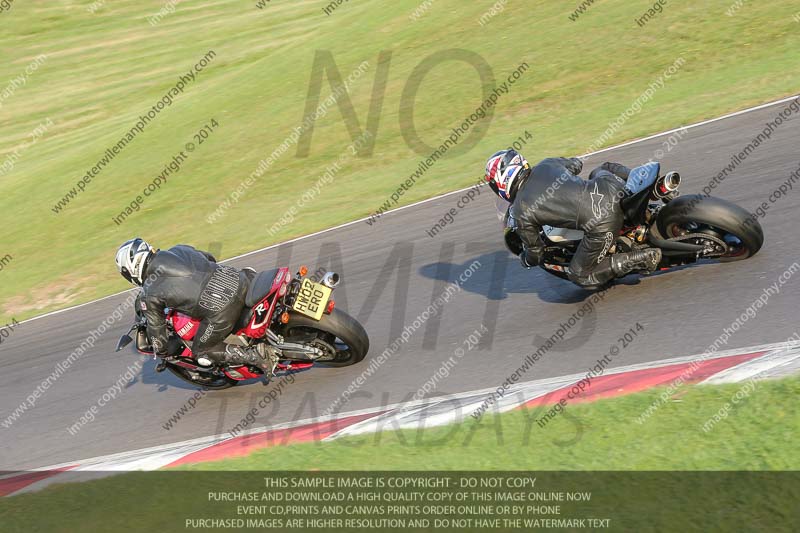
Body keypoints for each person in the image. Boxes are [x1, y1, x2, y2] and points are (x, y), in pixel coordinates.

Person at [484, 150, 661, 289]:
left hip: (602, 224)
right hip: (612, 187)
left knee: (579, 274)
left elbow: (536, 252)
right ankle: (649, 189)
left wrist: (526, 260)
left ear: (500, 182)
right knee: (601, 169)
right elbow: (576, 164)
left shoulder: (521, 211)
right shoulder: (546, 164)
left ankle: (640, 258)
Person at [114, 238, 277, 374]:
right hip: (238, 278)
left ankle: (256, 356)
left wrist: (161, 350)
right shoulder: (178, 249)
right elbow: (210, 258)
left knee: (202, 351)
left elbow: (157, 328)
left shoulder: (150, 293)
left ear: (131, 270)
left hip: (221, 307)